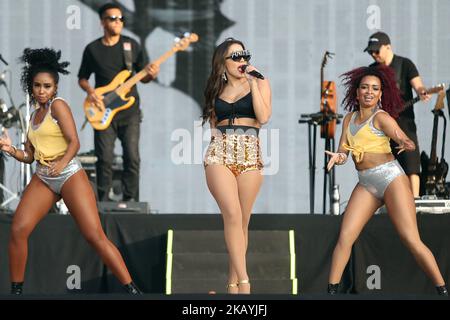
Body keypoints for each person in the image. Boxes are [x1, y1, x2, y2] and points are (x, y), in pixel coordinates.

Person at [0, 48, 142, 295]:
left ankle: (131, 289)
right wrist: (10, 149)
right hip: (44, 176)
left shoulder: (59, 107)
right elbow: (30, 156)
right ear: (31, 86)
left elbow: (74, 142)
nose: (42, 90)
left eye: (47, 86)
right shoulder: (33, 115)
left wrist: (62, 163)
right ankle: (16, 291)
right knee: (18, 229)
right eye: (37, 86)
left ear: (55, 87)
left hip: (68, 174)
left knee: (94, 235)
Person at [325, 65, 448, 296]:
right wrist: (339, 157)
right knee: (345, 237)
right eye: (365, 88)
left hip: (391, 177)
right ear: (357, 91)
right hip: (366, 183)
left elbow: (403, 138)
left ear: (381, 94)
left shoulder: (381, 117)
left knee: (411, 239)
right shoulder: (349, 119)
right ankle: (331, 292)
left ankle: (442, 291)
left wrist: (406, 143)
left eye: (375, 89)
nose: (369, 92)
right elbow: (344, 151)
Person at [202, 38, 272, 294]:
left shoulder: (260, 81)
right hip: (220, 152)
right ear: (222, 62)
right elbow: (213, 125)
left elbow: (263, 117)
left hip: (250, 151)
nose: (242, 61)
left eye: (245, 56)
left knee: (242, 223)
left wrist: (253, 82)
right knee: (231, 214)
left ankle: (233, 286)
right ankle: (245, 281)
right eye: (235, 57)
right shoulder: (215, 90)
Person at [78, 2, 159, 202]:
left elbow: (145, 77)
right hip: (102, 110)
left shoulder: (131, 46)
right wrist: (91, 92)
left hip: (129, 112)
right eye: (113, 18)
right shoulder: (92, 49)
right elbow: (82, 77)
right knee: (104, 159)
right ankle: (103, 203)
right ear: (102, 22)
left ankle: (131, 201)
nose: (118, 22)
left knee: (132, 158)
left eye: (121, 18)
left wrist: (151, 74)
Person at [364, 31, 430, 198]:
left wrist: (422, 91)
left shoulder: (405, 64)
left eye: (376, 51)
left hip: (404, 122)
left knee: (411, 164)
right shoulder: (372, 71)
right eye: (371, 52)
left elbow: (418, 85)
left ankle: (414, 203)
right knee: (382, 167)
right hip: (381, 125)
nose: (373, 54)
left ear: (388, 47)